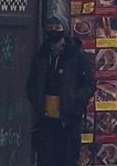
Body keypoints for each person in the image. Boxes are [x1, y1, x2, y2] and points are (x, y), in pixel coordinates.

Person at [27, 15, 98, 166]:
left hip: (69, 118)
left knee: (67, 158)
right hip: (45, 119)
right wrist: (36, 101)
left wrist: (75, 98)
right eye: (50, 28)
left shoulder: (76, 55)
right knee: (45, 159)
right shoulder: (40, 56)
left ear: (64, 30)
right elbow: (32, 84)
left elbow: (90, 84)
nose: (53, 31)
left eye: (57, 28)